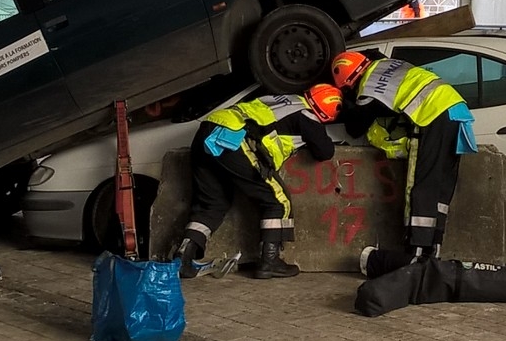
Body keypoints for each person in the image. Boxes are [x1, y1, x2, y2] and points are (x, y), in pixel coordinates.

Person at [174, 84, 342, 280]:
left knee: (211, 203)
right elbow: (325, 152)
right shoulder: (308, 116)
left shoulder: (280, 99)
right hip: (234, 139)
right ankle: (270, 261)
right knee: (277, 201)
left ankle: (184, 257)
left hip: (208, 130)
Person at [333, 49, 477, 261]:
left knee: (420, 186)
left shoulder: (368, 88)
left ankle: (416, 251)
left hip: (431, 115)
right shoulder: (387, 65)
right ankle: (433, 248)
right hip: (455, 109)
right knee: (441, 186)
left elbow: (356, 127)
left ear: (349, 81)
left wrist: (346, 106)